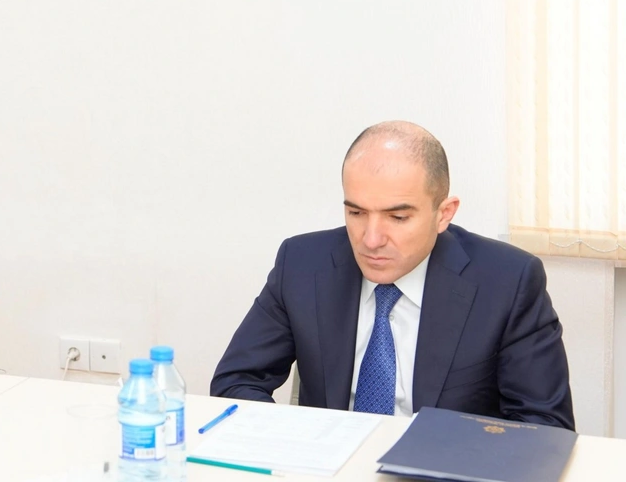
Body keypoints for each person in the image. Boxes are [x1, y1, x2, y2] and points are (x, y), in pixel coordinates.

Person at [210, 121, 574, 429]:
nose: (371, 239)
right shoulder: (303, 264)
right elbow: (236, 382)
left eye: (397, 218)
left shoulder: (508, 281)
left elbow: (545, 427)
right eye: (356, 213)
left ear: (444, 213)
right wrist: (298, 444)